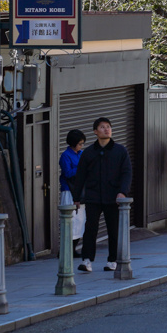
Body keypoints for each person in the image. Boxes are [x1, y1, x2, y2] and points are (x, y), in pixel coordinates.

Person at [72, 117, 132, 273]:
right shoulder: (89, 152)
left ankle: (112, 260)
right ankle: (87, 260)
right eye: (102, 127)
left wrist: (122, 192)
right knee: (90, 228)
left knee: (113, 229)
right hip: (93, 195)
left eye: (108, 127)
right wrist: (76, 197)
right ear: (95, 132)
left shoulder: (120, 150)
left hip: (113, 196)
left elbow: (126, 173)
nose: (106, 129)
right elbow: (80, 176)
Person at [58, 129, 85, 256]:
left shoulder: (81, 154)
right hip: (69, 190)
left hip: (80, 190)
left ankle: (73, 248)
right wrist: (80, 169)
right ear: (73, 143)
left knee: (80, 221)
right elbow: (68, 173)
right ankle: (65, 249)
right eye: (79, 143)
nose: (81, 146)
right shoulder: (65, 156)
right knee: (70, 220)